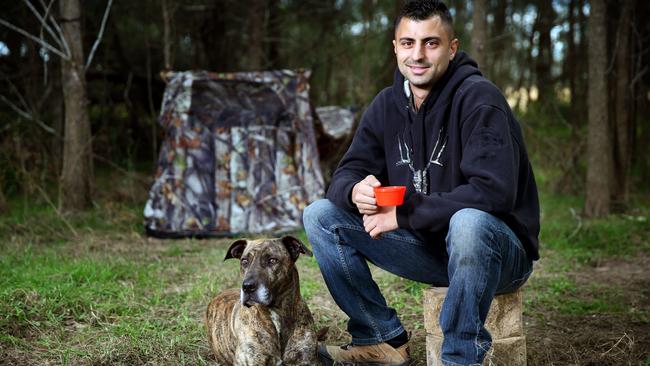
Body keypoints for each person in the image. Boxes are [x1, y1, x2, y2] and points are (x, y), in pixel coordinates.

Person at [302, 0, 540, 365]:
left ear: (452, 47)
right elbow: (346, 172)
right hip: (432, 248)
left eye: (431, 42)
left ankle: (460, 357)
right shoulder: (386, 105)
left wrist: (404, 214)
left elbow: (494, 192)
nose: (419, 54)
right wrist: (355, 190)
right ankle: (380, 339)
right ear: (395, 47)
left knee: (469, 222)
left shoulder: (479, 99)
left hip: (498, 252)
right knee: (321, 215)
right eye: (409, 43)